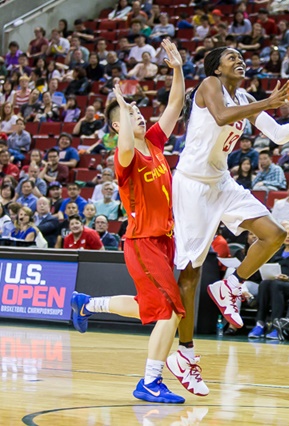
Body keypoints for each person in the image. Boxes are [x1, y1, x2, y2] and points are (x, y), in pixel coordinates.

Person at [172, 46, 289, 369]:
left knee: (273, 234)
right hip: (192, 185)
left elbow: (280, 135)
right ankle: (184, 352)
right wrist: (269, 102)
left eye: (242, 57)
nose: (240, 61)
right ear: (216, 68)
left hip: (221, 181)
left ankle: (231, 284)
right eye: (232, 58)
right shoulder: (208, 86)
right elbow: (221, 116)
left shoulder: (244, 99)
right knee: (190, 273)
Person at [69, 40, 194, 403]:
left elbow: (175, 105)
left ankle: (87, 304)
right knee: (169, 311)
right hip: (142, 241)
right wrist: (121, 107)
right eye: (129, 113)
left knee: (149, 307)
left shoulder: (154, 143)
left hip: (164, 240)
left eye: (139, 110)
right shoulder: (124, 158)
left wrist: (177, 68)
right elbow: (124, 141)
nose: (139, 114)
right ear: (116, 124)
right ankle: (150, 382)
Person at [247, 221, 289, 340]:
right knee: (265, 284)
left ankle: (276, 327)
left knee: (276, 285)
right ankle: (260, 323)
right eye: (286, 234)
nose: (288, 236)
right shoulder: (276, 252)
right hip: (276, 283)